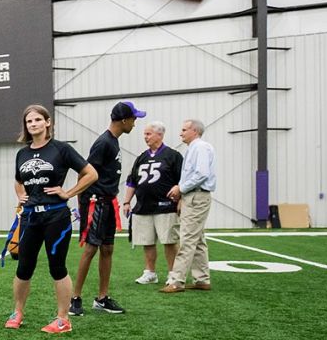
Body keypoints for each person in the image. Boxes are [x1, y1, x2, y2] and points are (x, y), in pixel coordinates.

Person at [6, 104, 98, 334]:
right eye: (29, 121)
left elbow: (91, 174)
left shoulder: (61, 149)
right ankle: (17, 312)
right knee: (24, 267)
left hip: (56, 216)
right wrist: (20, 194)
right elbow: (18, 179)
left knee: (57, 267)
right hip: (29, 218)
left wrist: (69, 193)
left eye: (38, 119)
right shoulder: (23, 153)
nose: (33, 124)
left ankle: (63, 319)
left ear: (48, 122)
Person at [69, 101, 144, 317]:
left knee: (108, 249)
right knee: (91, 249)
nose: (135, 123)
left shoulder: (114, 142)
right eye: (133, 118)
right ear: (124, 120)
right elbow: (84, 172)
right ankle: (75, 298)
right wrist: (83, 204)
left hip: (108, 201)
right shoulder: (103, 143)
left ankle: (102, 298)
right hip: (96, 202)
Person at [121, 121, 183, 284]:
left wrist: (181, 200)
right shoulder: (142, 157)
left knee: (169, 241)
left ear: (160, 135)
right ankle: (150, 272)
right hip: (143, 206)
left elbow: (182, 180)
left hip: (166, 206)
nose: (145, 137)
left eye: (148, 134)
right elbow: (132, 181)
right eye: (144, 134)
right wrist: (127, 202)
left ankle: (173, 273)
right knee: (146, 241)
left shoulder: (173, 155)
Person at [161, 119, 217, 293]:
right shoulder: (196, 148)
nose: (181, 133)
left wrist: (181, 189)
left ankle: (177, 280)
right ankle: (202, 279)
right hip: (194, 196)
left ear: (195, 131)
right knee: (198, 239)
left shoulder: (199, 147)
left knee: (187, 239)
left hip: (196, 195)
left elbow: (201, 174)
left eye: (184, 129)